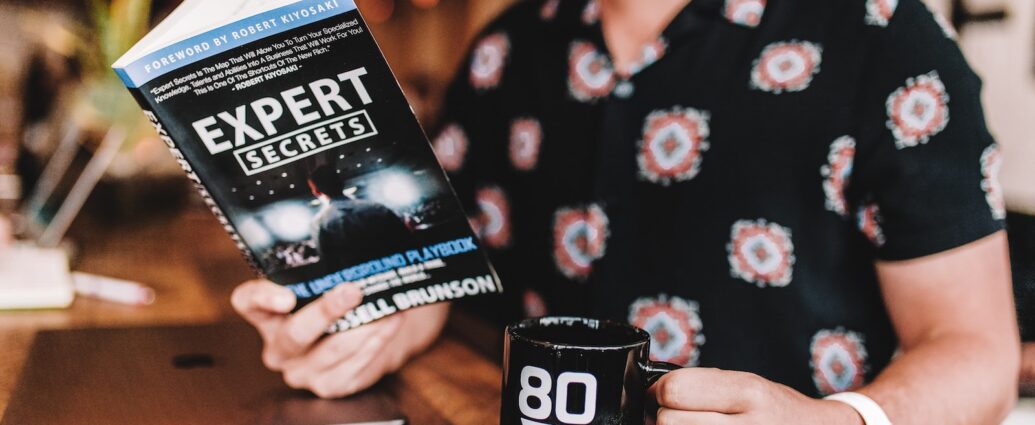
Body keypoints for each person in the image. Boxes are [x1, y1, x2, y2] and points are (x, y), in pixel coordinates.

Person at [233, 0, 1022, 423]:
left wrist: (840, 423)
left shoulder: (882, 37)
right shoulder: (507, 49)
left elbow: (976, 353)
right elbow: (452, 274)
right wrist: (367, 328)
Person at [306, 165, 415, 270]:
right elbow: (406, 241)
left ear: (316, 192)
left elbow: (329, 263)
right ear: (341, 182)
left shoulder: (319, 223)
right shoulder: (377, 208)